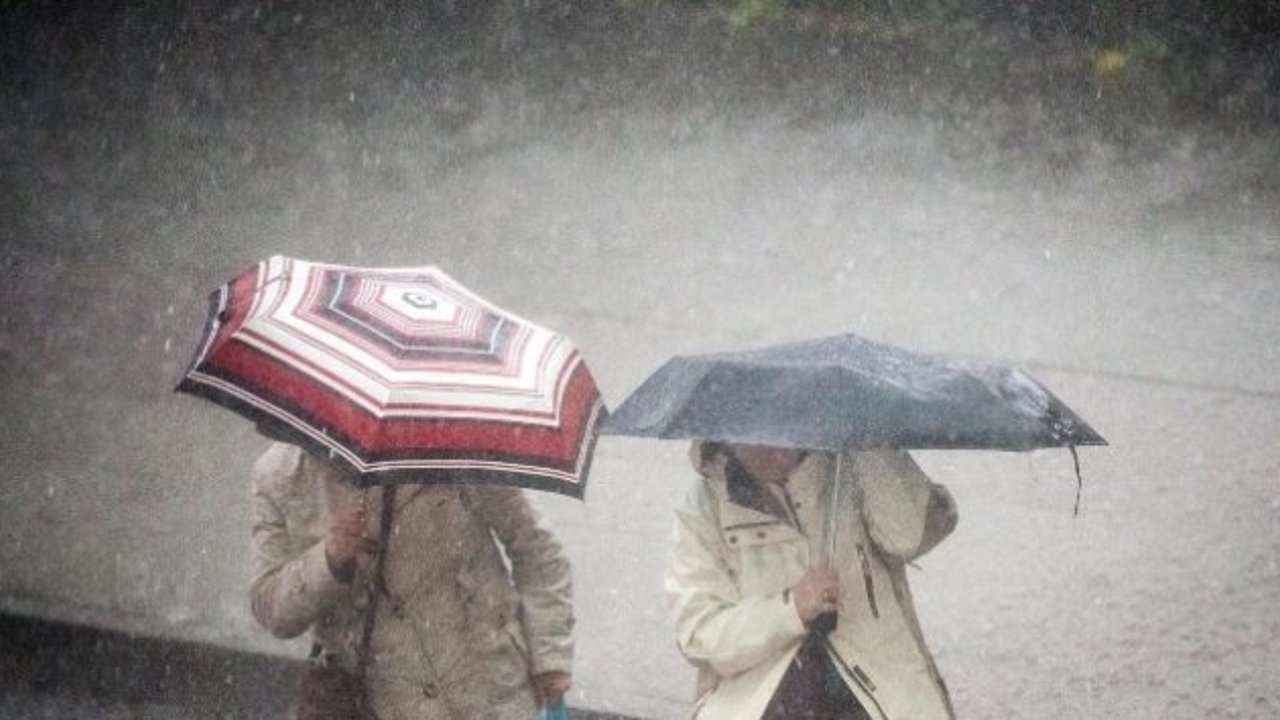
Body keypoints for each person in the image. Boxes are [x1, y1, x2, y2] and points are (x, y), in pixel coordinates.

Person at [249, 439, 575, 720]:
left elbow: (537, 549)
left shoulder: (453, 445)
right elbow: (272, 610)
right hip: (386, 702)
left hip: (490, 687)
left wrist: (550, 658)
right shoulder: (280, 476)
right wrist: (328, 559)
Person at [665, 442, 958, 720]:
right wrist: (790, 609)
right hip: (760, 697)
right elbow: (699, 634)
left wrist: (865, 437)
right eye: (752, 437)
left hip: (879, 684)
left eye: (780, 430)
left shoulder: (850, 464)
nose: (768, 448)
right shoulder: (704, 505)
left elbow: (907, 538)